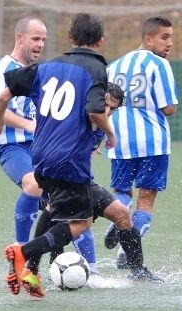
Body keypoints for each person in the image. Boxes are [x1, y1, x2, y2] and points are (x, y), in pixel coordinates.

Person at [0, 13, 137, 298]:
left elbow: (4, 95)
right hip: (68, 157)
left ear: (70, 38)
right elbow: (95, 111)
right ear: (101, 41)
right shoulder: (95, 68)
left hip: (40, 155)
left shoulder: (47, 66)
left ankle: (31, 268)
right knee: (81, 222)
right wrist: (111, 133)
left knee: (52, 209)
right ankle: (23, 252)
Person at [29, 82, 162, 285]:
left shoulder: (100, 125)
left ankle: (137, 271)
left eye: (113, 108)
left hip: (82, 181)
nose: (108, 111)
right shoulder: (77, 117)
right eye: (105, 105)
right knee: (69, 220)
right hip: (57, 179)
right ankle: (40, 267)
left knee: (121, 214)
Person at [104, 16, 178, 269]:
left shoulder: (113, 67)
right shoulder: (159, 64)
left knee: (122, 193)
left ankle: (117, 222)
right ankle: (127, 252)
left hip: (119, 140)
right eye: (164, 37)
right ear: (148, 39)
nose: (169, 43)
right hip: (153, 142)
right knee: (146, 201)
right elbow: (168, 108)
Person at [0, 15, 47, 244]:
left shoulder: (37, 72)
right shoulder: (3, 70)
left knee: (69, 202)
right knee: (33, 183)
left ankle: (89, 267)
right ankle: (20, 251)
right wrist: (28, 124)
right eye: (36, 38)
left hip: (41, 147)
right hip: (12, 146)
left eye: (43, 40)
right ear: (19, 38)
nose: (40, 44)